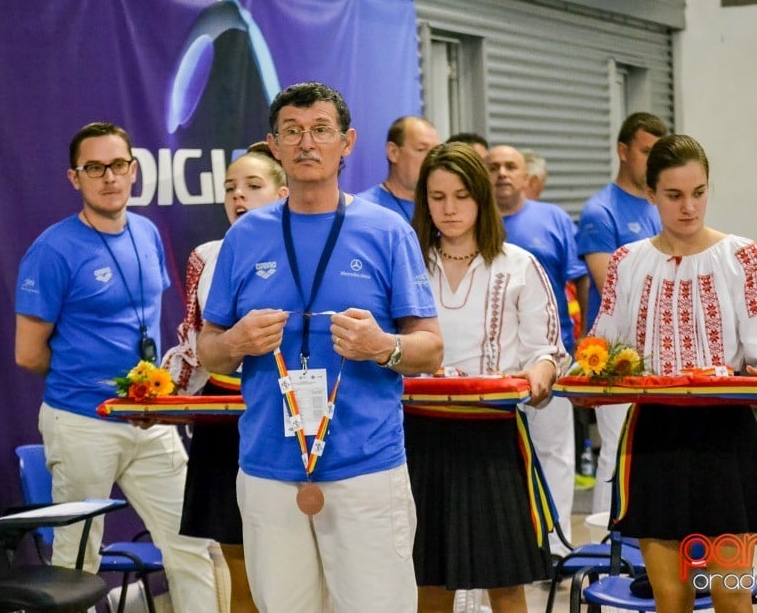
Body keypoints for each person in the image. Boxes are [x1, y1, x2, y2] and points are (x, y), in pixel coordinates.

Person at [196, 81, 444, 613]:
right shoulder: (245, 237)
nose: (307, 143)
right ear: (275, 145)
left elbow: (431, 348)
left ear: (347, 142)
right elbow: (209, 349)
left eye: (321, 130)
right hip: (268, 466)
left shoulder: (387, 231)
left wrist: (383, 346)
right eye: (292, 132)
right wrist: (236, 340)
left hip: (366, 466)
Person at [590, 134, 757, 613]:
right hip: (654, 439)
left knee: (731, 596)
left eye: (699, 192)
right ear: (650, 194)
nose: (689, 207)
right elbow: (600, 345)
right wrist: (575, 374)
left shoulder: (742, 256)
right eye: (674, 195)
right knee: (671, 599)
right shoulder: (628, 262)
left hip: (723, 440)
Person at [14, 122, 222, 612]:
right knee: (77, 560)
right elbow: (28, 353)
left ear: (134, 170)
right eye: (94, 168)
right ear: (75, 178)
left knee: (193, 544)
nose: (108, 177)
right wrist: (86, 381)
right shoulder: (52, 250)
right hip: (84, 421)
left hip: (151, 421)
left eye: (118, 165)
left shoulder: (147, 233)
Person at [409, 142, 569, 613]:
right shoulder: (409, 265)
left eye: (461, 195)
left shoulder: (520, 265)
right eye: (437, 197)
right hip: (420, 433)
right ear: (425, 202)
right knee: (430, 580)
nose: (450, 208)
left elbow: (549, 351)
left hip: (494, 436)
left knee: (505, 579)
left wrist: (541, 373)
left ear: (481, 197)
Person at [161, 142, 288, 613]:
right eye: (230, 188)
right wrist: (160, 393)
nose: (239, 197)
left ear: (282, 192)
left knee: (295, 555)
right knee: (236, 559)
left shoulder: (307, 249)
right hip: (224, 414)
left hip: (286, 414)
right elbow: (195, 341)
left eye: (253, 187)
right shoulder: (206, 255)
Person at [486, 143, 587, 557]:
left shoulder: (554, 219)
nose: (502, 174)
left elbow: (578, 280)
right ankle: (508, 546)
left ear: (527, 175)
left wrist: (583, 344)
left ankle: (557, 548)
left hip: (550, 357)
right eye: (493, 167)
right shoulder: (472, 222)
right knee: (500, 458)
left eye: (511, 166)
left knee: (555, 453)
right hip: (492, 367)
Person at [575, 111, 668, 514]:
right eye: (648, 151)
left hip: (658, 350)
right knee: (616, 449)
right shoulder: (601, 211)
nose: (654, 160)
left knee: (655, 450)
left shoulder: (660, 203)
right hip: (616, 353)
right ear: (623, 151)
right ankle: (606, 542)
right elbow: (609, 286)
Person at [357, 115, 440, 221]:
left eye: (436, 151)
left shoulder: (441, 209)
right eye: (421, 149)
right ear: (393, 152)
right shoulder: (363, 210)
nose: (433, 158)